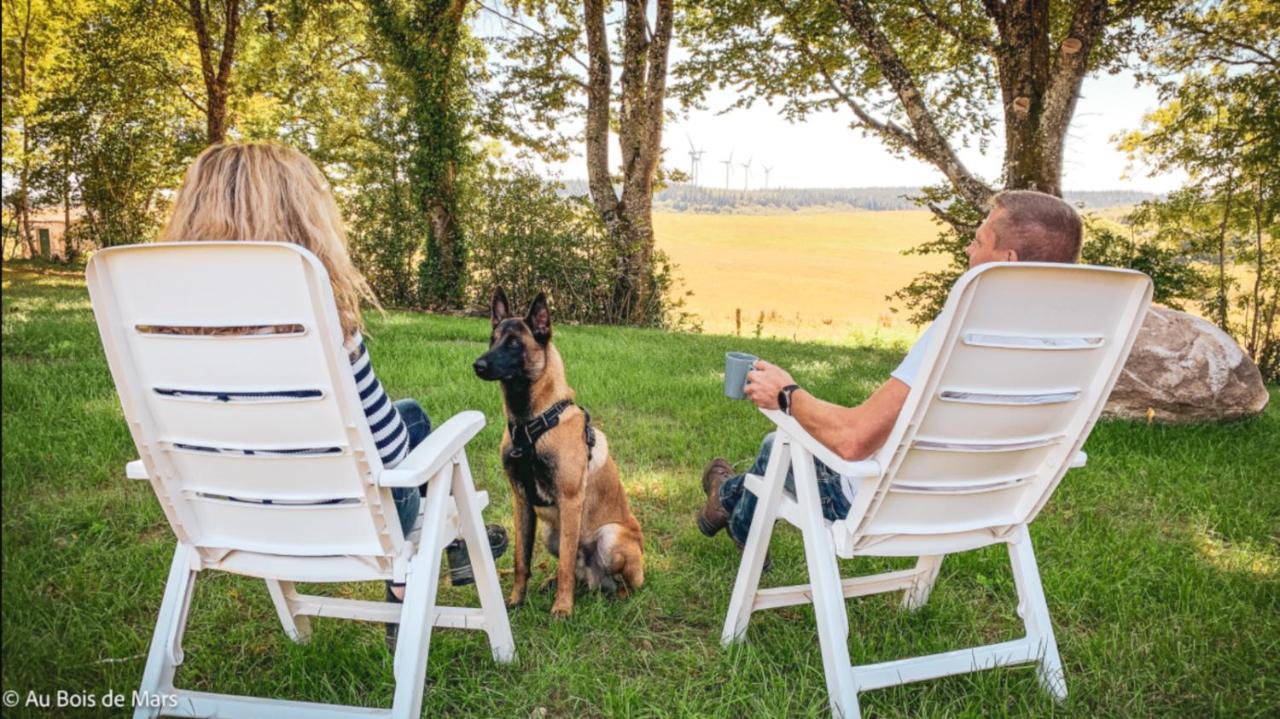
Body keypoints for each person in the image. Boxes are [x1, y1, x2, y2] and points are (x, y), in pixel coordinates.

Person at [157, 142, 505, 647]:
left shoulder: (165, 331)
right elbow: (386, 455)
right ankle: (413, 576)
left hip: (225, 513)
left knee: (408, 415)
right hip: (344, 516)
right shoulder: (319, 323)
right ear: (303, 220)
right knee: (413, 427)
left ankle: (440, 562)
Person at [696, 190, 1085, 555]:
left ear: (1008, 261)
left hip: (888, 505)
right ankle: (731, 506)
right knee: (783, 449)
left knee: (778, 445)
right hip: (991, 506)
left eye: (979, 241)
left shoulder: (963, 331)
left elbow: (853, 440)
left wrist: (785, 394)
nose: (969, 248)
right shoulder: (1081, 342)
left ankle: (729, 501)